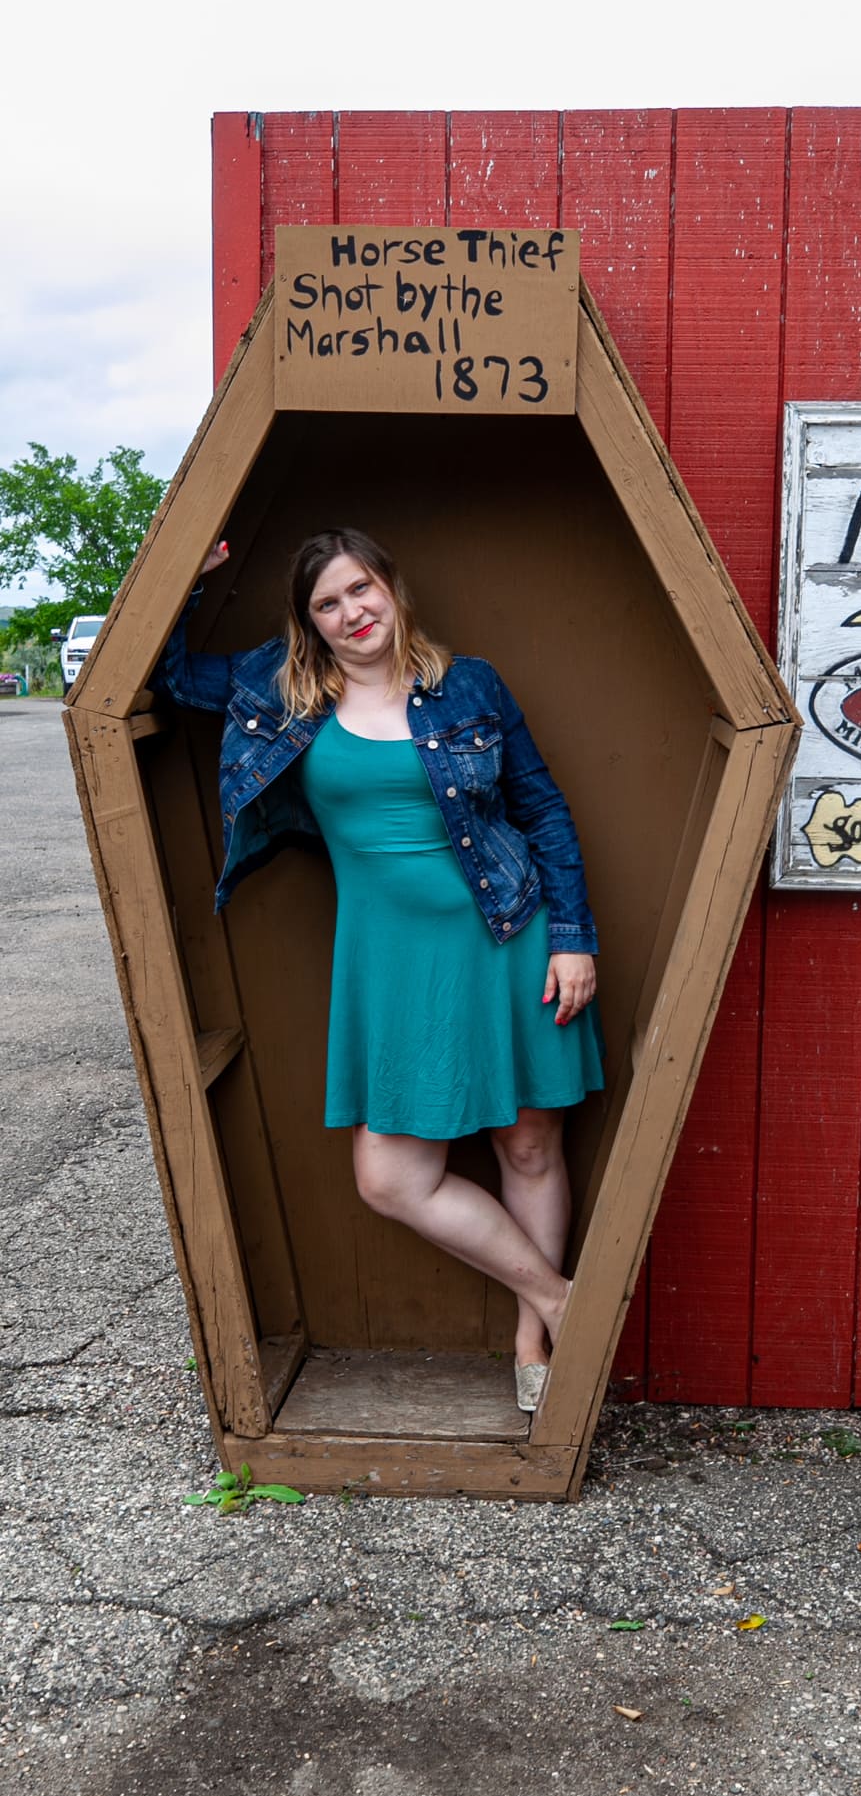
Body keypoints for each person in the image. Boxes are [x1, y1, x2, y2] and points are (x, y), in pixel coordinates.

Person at [157, 528, 603, 1414]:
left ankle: (534, 1339)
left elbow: (541, 809)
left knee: (527, 1142)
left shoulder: (468, 685)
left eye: (360, 590)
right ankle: (567, 1304)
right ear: (310, 623)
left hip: (508, 933)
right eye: (328, 603)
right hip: (392, 961)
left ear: (390, 588)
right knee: (390, 1180)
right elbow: (167, 674)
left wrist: (573, 937)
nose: (351, 612)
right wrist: (186, 571)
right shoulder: (279, 691)